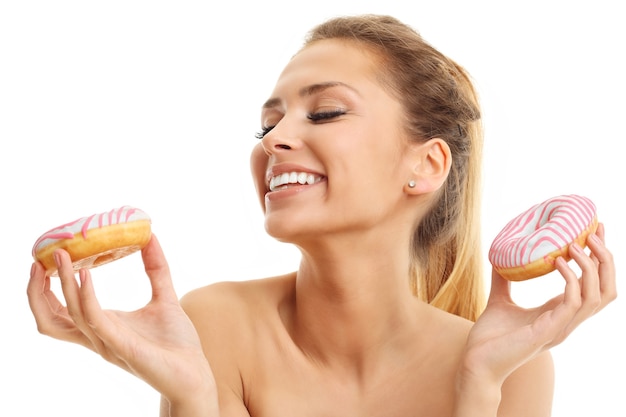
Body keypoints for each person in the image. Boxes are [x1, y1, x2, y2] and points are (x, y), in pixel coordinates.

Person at [27, 14, 616, 417]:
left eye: (326, 112)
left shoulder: (514, 369)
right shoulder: (217, 327)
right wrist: (193, 397)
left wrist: (478, 386)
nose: (275, 140)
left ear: (428, 165)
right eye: (268, 122)